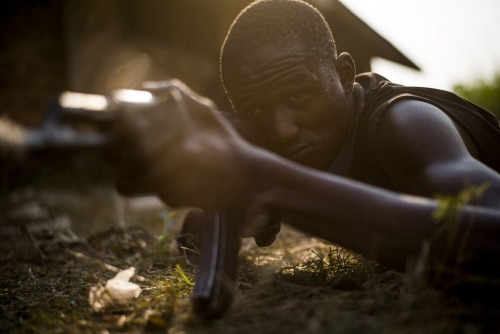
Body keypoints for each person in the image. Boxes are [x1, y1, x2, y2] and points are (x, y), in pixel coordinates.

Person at [114, 0, 500, 282]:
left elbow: (483, 234)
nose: (282, 130)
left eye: (298, 96)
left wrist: (279, 190)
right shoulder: (296, 137)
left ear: (344, 74)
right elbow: (197, 230)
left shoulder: (405, 123)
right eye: (254, 112)